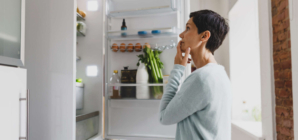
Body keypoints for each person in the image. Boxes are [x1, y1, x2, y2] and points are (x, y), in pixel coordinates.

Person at [159, 10, 231, 140]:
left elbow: (164, 117)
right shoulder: (220, 73)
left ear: (204, 36)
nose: (181, 35)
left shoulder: (201, 78)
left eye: (187, 28)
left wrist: (177, 69)